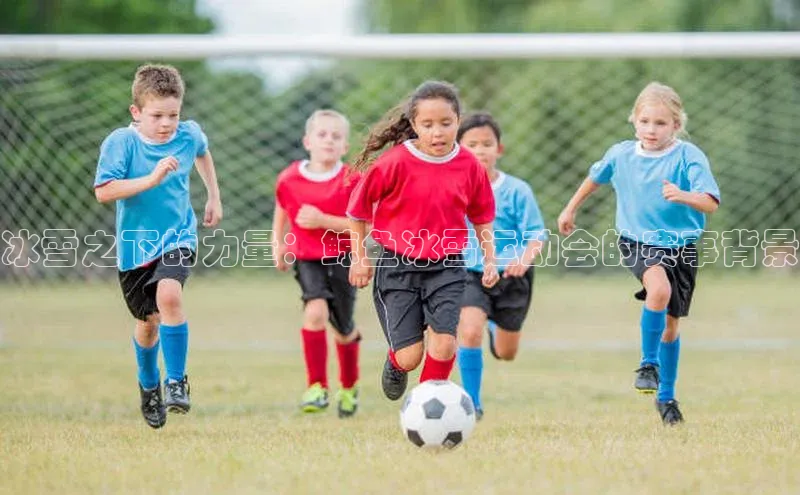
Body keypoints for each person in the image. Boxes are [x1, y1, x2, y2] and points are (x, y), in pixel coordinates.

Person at [557, 82, 720, 425]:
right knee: (659, 290)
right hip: (638, 240)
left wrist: (683, 195)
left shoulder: (689, 156)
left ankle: (666, 398)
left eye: (660, 123)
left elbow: (709, 202)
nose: (651, 129)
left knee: (671, 327)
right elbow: (595, 177)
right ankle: (648, 364)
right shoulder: (621, 154)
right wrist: (570, 208)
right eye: (645, 121)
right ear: (634, 120)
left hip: (681, 248)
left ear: (676, 125)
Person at [347, 80, 499, 402]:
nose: (437, 132)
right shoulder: (394, 163)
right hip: (397, 266)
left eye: (446, 123)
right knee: (410, 357)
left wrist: (489, 259)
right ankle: (395, 361)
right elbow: (357, 211)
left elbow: (482, 216)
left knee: (445, 343)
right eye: (427, 125)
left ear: (458, 121)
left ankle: (425, 405)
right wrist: (360, 259)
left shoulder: (469, 166)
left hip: (447, 265)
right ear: (414, 125)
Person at [94, 64, 223, 429]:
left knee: (169, 295)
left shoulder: (188, 134)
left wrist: (213, 196)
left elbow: (203, 151)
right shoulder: (121, 142)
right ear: (136, 112)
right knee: (148, 323)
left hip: (178, 236)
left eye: (173, 115)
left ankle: (176, 381)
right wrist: (150, 179)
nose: (167, 124)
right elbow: (104, 191)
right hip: (135, 248)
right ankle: (149, 385)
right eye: (157, 116)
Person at [455, 112, 548, 420]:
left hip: (511, 275)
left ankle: (496, 326)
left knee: (507, 353)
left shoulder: (517, 190)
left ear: (499, 149)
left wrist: (523, 260)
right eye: (471, 145)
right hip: (470, 271)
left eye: (486, 144)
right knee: (469, 331)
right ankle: (472, 404)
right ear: (458, 150)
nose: (480, 151)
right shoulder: (454, 188)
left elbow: (536, 234)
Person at [272, 109, 362, 418]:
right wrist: (278, 243)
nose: (328, 141)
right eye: (322, 135)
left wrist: (324, 221)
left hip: (344, 259)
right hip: (307, 257)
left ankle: (349, 387)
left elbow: (364, 226)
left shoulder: (352, 179)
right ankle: (316, 387)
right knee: (315, 313)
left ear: (345, 146)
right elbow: (283, 207)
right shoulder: (289, 178)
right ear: (307, 141)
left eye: (336, 136)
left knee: (344, 329)